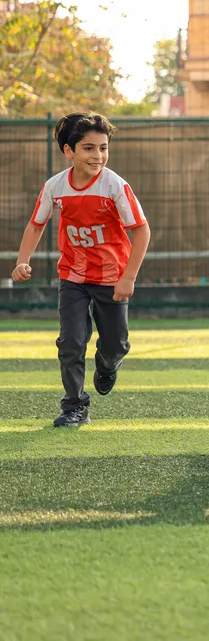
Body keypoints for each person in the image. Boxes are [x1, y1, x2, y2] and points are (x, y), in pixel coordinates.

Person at [11, 112, 151, 427]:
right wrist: (23, 260)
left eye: (103, 148)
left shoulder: (115, 185)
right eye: (89, 148)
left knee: (115, 344)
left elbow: (142, 231)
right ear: (69, 151)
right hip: (72, 278)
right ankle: (74, 406)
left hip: (112, 279)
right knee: (71, 342)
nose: (98, 155)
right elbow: (36, 225)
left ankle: (108, 365)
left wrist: (128, 277)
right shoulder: (54, 187)